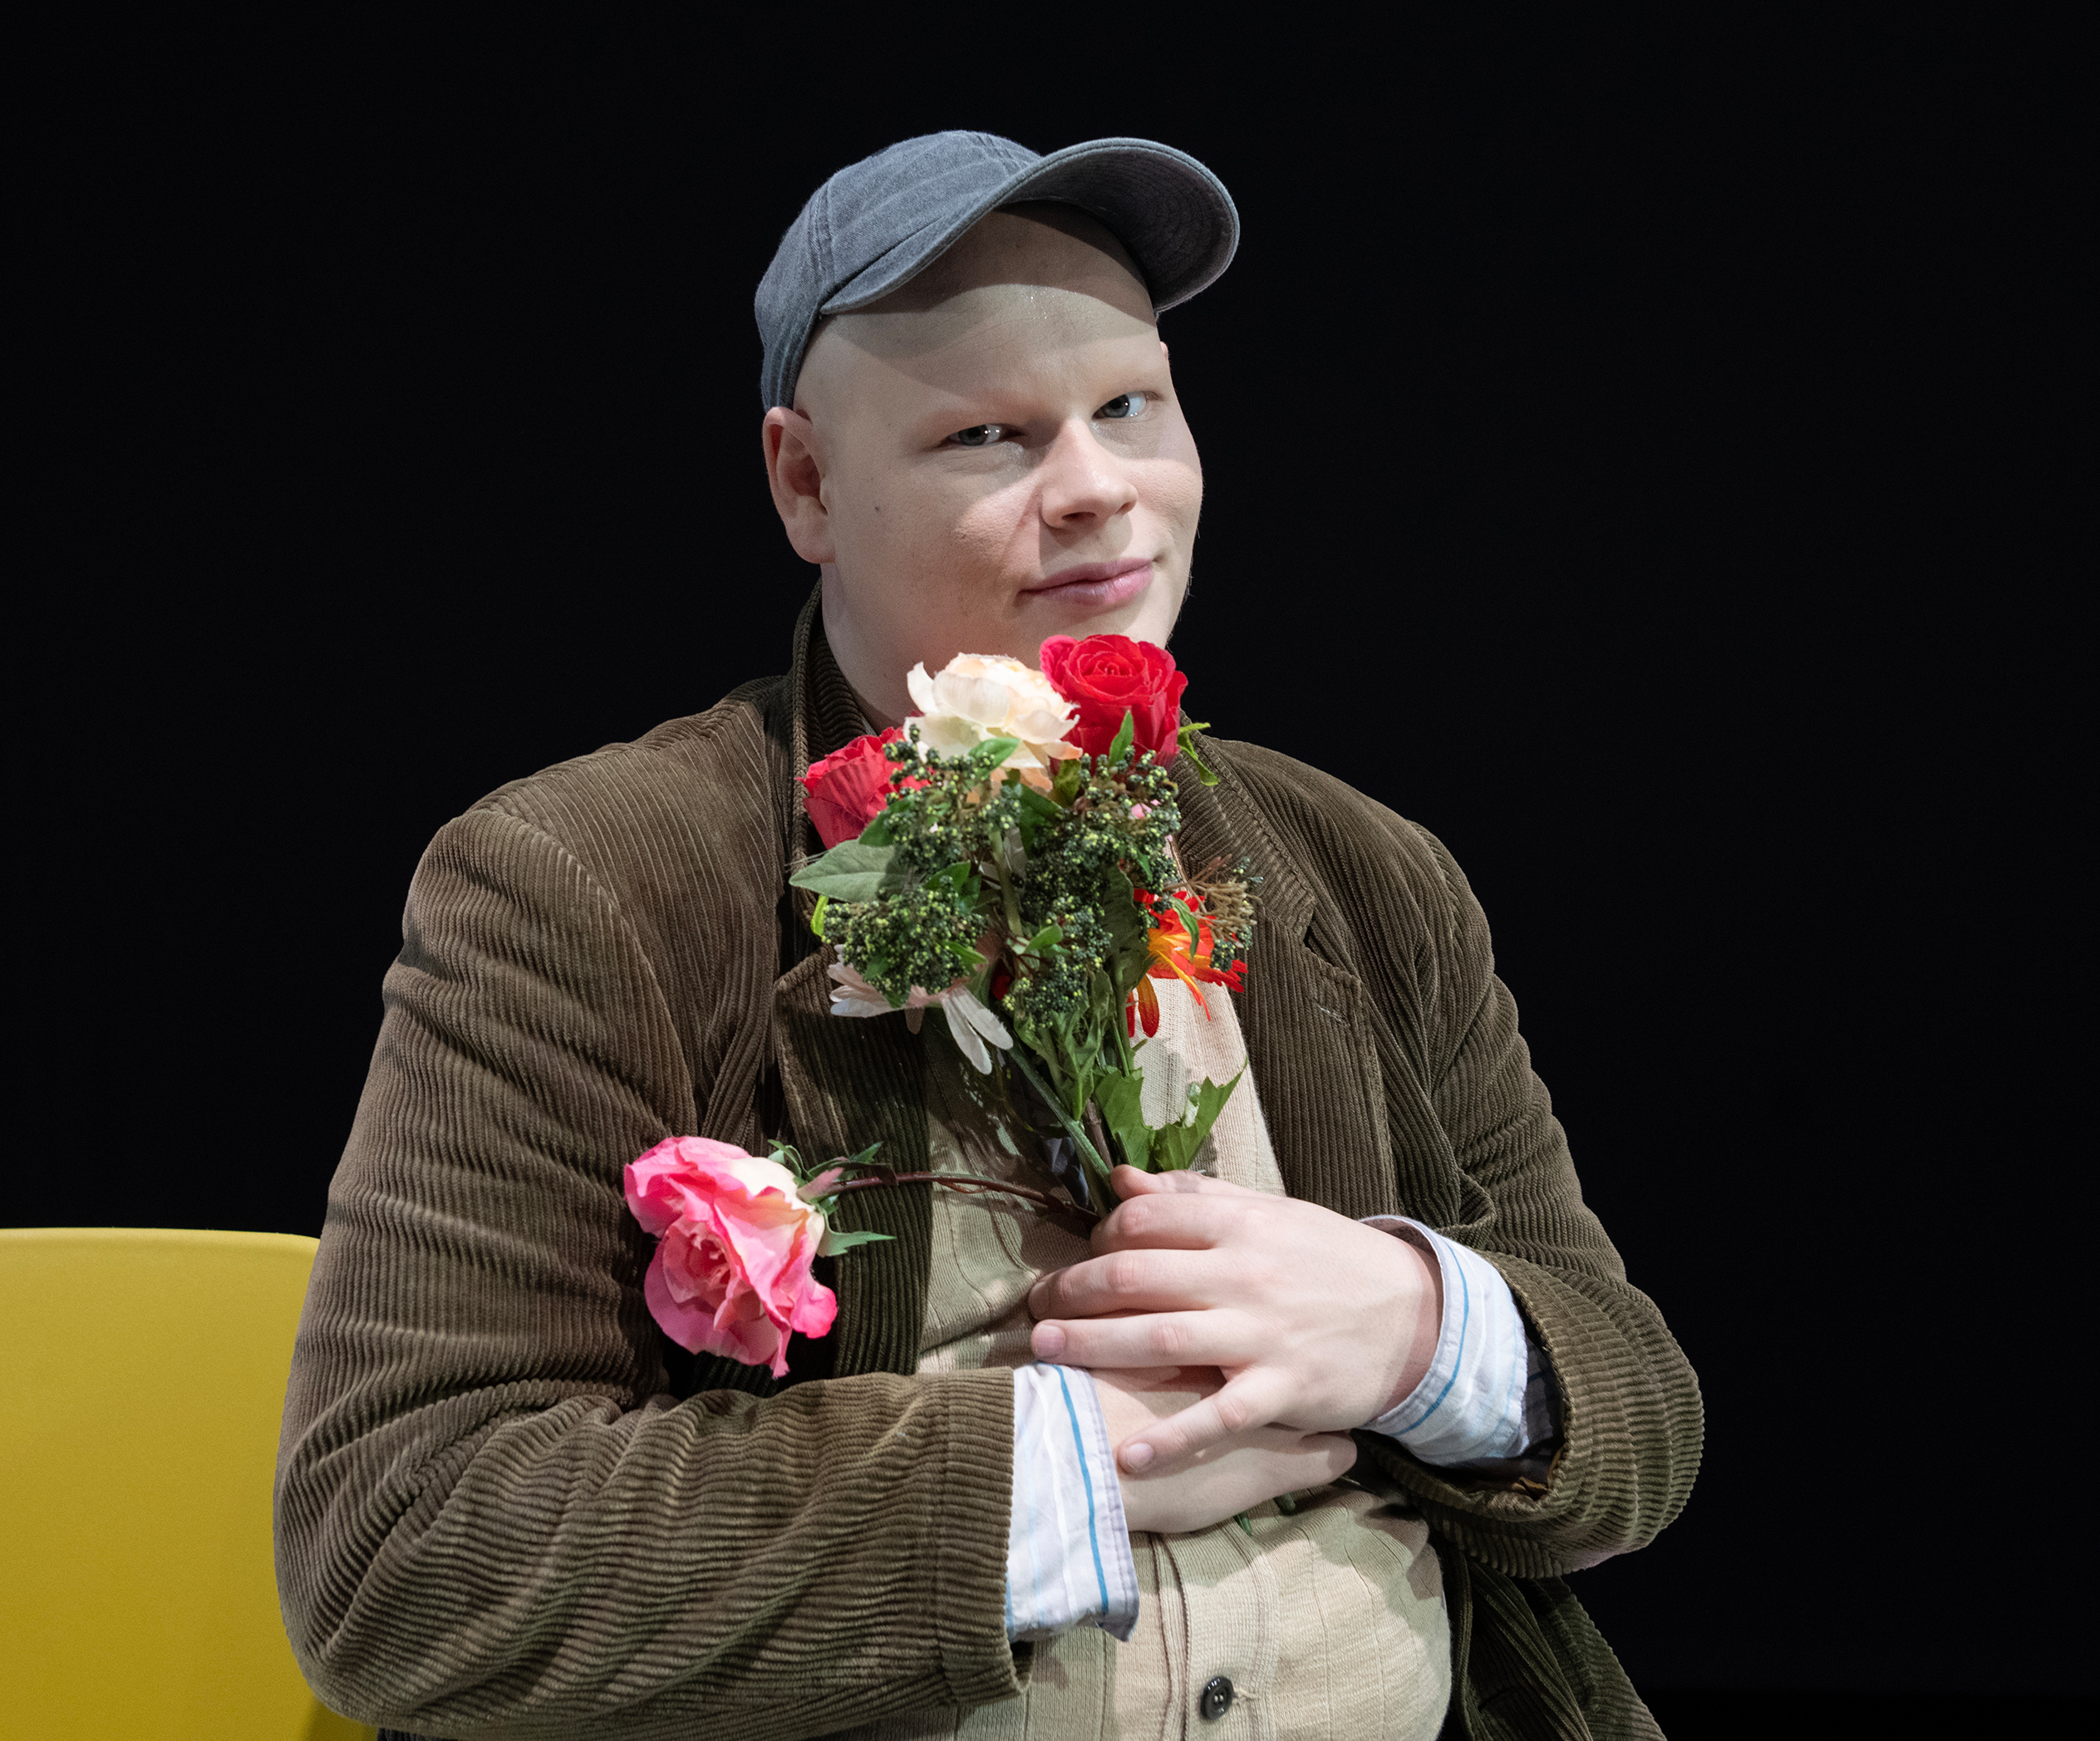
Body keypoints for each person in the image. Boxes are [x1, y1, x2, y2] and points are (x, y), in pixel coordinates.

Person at [275, 131, 1701, 1740]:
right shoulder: (588, 881)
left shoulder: (1364, 871)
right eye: (984, 435)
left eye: (1129, 406)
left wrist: (1417, 1332)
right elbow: (401, 1555)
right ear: (805, 484)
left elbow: (1638, 1430)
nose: (1095, 485)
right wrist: (1068, 1469)